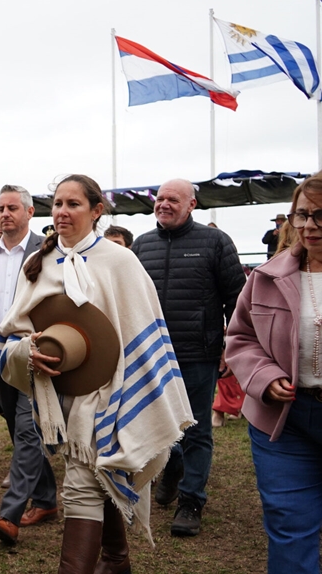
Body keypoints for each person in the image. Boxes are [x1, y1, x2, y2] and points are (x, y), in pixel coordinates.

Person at [0, 174, 193, 573]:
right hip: (61, 393)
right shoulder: (39, 263)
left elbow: (140, 328)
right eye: (57, 203)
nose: (62, 211)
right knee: (96, 476)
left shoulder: (120, 261)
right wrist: (29, 352)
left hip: (116, 389)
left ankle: (100, 563)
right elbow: (12, 335)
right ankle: (117, 560)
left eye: (73, 204)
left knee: (81, 486)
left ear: (96, 211)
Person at [131, 178, 246, 537]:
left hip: (198, 353)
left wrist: (230, 345)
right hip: (151, 355)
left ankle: (191, 501)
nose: (163, 204)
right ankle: (172, 467)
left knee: (195, 429)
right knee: (159, 426)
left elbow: (237, 298)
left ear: (192, 205)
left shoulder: (215, 242)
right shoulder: (141, 246)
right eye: (160, 198)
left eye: (173, 199)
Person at [227, 174, 322, 573]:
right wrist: (263, 377)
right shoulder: (266, 277)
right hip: (284, 423)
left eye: (320, 215)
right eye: (302, 214)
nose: (310, 225)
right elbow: (240, 337)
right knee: (289, 524)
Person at [0, 184, 56, 546]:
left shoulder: (48, 251)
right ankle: (46, 500)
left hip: (35, 358)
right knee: (21, 433)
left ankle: (9, 515)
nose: (4, 214)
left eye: (12, 208)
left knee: (28, 431)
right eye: (1, 208)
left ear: (30, 212)